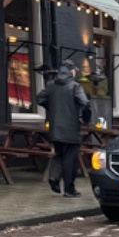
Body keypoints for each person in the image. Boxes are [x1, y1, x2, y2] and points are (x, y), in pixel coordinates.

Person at [36, 63, 91, 195]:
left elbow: (40, 98)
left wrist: (51, 107)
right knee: (70, 159)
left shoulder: (51, 85)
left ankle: (53, 177)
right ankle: (69, 189)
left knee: (58, 154)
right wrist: (84, 117)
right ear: (72, 72)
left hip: (55, 127)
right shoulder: (75, 86)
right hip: (71, 128)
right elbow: (84, 103)